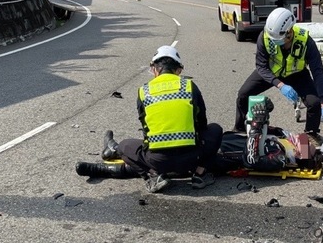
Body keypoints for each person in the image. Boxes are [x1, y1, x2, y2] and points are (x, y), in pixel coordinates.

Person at [76, 46, 223, 192]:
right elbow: (202, 123)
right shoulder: (190, 86)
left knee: (124, 146)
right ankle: (200, 174)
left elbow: (146, 129)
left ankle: (152, 176)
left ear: (154, 69)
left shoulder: (144, 91)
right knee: (215, 129)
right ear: (178, 70)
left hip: (158, 162)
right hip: (191, 159)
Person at [233, 7, 323, 145]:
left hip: (297, 73)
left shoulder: (306, 41)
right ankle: (239, 129)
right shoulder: (265, 37)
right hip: (272, 72)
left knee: (314, 103)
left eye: (278, 39)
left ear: (289, 32)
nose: (274, 41)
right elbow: (261, 66)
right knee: (243, 94)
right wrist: (280, 85)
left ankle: (311, 134)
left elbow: (318, 72)